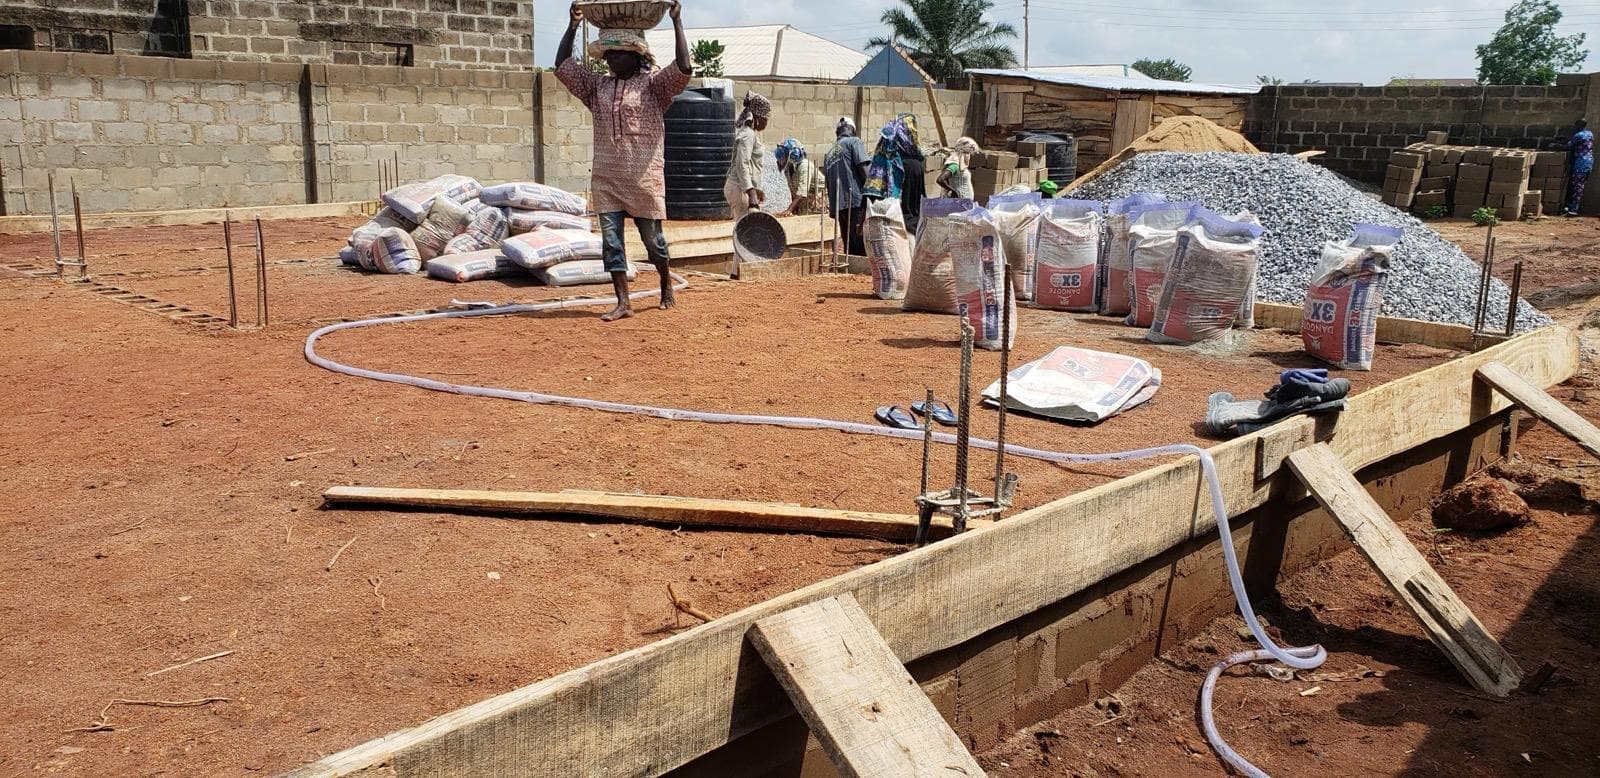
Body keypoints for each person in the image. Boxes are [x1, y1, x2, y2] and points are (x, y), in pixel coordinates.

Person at [554, 1, 691, 321]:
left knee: (653, 242)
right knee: (611, 242)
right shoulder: (596, 87)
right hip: (606, 178)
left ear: (636, 54)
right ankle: (623, 301)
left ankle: (664, 280)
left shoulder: (655, 85)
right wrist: (573, 25)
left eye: (619, 53)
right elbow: (562, 65)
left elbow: (683, 68)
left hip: (643, 177)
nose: (612, 58)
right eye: (608, 53)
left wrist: (677, 22)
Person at [823, 117, 870, 255]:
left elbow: (828, 183)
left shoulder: (829, 153)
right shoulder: (854, 142)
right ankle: (859, 275)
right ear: (852, 130)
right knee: (860, 244)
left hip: (839, 205)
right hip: (855, 202)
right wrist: (873, 197)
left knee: (848, 244)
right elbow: (864, 171)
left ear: (838, 132)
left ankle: (852, 274)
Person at [726, 92, 771, 214]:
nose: (766, 122)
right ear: (756, 117)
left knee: (745, 228)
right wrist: (751, 193)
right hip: (739, 189)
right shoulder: (748, 135)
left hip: (743, 188)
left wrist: (755, 190)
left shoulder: (750, 134)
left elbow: (750, 166)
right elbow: (742, 164)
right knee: (746, 230)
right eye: (765, 118)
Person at [774, 139, 827, 216]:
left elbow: (802, 192)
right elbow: (793, 191)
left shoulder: (804, 166)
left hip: (818, 202)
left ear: (792, 155)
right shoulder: (788, 169)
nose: (780, 159)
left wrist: (789, 210)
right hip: (806, 202)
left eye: (783, 156)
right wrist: (794, 209)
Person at [1564, 118, 1593, 216]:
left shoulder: (1578, 135)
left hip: (1580, 162)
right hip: (1589, 161)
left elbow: (1569, 146)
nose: (1574, 127)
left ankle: (1573, 209)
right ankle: (1573, 207)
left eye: (1576, 126)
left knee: (1577, 186)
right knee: (1580, 185)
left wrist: (1556, 144)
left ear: (1579, 126)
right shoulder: (1590, 134)